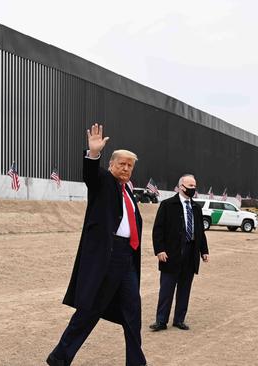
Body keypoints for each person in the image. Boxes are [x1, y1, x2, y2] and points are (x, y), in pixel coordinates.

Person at [47, 124, 147, 366]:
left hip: (127, 260)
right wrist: (93, 154)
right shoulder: (103, 182)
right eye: (121, 163)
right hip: (106, 258)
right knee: (89, 312)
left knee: (133, 312)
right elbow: (90, 174)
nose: (125, 168)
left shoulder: (129, 192)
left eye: (129, 165)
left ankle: (136, 362)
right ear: (111, 164)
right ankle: (60, 357)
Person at [150, 174, 209, 332]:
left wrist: (204, 251)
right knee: (167, 290)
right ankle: (161, 321)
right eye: (190, 186)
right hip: (171, 253)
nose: (193, 189)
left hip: (190, 253)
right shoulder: (168, 205)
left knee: (184, 289)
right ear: (181, 187)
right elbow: (158, 229)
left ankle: (179, 320)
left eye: (194, 186)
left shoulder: (196, 208)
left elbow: (200, 231)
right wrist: (160, 250)